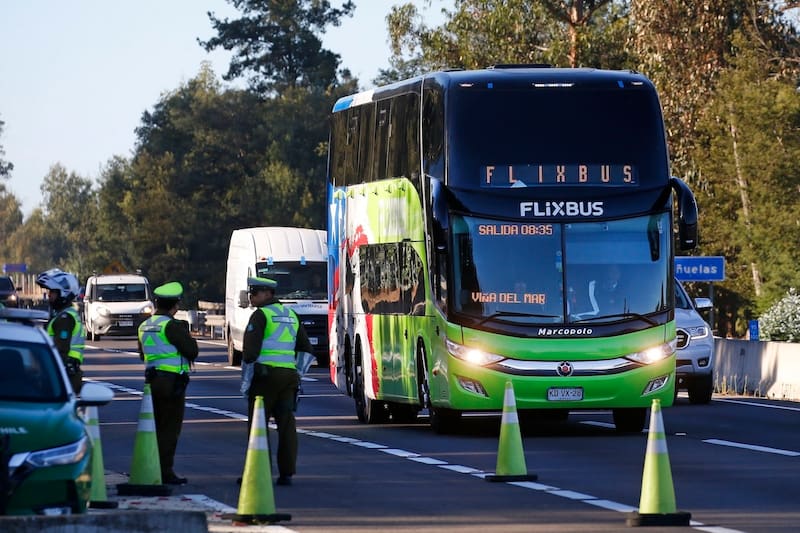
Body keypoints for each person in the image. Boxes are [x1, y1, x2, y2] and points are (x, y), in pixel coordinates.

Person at [242, 276, 313, 486]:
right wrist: (297, 372)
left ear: (268, 294)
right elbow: (306, 349)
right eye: (251, 292)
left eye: (255, 292)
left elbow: (249, 353)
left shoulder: (260, 316)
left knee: (258, 426)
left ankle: (256, 472)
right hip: (289, 377)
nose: (252, 296)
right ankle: (287, 473)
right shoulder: (291, 315)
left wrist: (248, 381)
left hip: (265, 377)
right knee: (286, 425)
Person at [137, 281, 198, 485]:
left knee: (153, 427)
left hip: (152, 381)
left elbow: (141, 354)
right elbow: (192, 351)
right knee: (169, 429)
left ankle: (148, 466)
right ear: (175, 306)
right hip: (172, 383)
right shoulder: (171, 326)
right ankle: (165, 471)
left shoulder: (144, 325)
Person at [36, 268, 85, 393]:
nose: (49, 295)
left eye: (52, 292)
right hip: (65, 373)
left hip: (63, 375)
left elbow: (60, 350)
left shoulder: (65, 318)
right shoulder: (64, 314)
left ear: (63, 293)